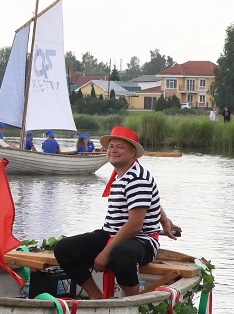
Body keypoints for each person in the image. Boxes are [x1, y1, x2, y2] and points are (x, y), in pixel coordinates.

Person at [52, 126, 180, 299]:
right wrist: (164, 219)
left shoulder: (137, 178)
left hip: (142, 239)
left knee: (120, 253)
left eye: (120, 147)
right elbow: (147, 199)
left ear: (132, 152)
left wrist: (105, 253)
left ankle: (133, 301)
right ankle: (97, 296)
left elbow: (135, 225)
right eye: (111, 146)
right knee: (64, 248)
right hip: (112, 234)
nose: (113, 150)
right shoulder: (122, 173)